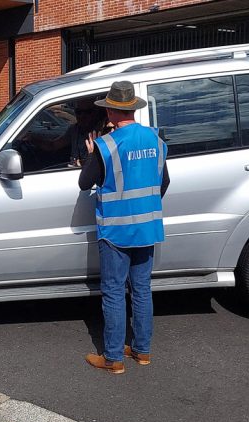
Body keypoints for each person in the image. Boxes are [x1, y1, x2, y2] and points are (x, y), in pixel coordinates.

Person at [79, 80, 170, 375]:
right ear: (132, 108)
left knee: (114, 292)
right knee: (142, 289)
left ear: (111, 112)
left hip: (116, 231)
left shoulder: (106, 145)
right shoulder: (155, 139)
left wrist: (91, 154)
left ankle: (113, 358)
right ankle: (142, 351)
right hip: (146, 228)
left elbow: (84, 183)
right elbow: (163, 182)